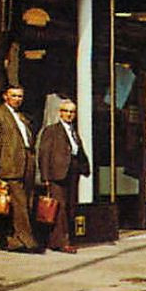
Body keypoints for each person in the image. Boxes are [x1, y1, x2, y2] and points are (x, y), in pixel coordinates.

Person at [0, 84, 40, 252]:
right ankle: (27, 240)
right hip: (9, 165)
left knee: (26, 202)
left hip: (26, 163)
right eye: (14, 96)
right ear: (5, 96)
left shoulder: (22, 117)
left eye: (20, 96)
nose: (17, 99)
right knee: (19, 204)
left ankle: (15, 240)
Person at [35, 96, 89, 254]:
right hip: (56, 174)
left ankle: (60, 239)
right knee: (60, 208)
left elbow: (78, 151)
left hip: (72, 172)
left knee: (70, 207)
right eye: (66, 111)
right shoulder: (52, 130)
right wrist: (45, 177)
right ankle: (61, 241)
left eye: (72, 112)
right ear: (60, 113)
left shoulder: (73, 131)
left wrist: (84, 167)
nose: (69, 114)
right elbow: (44, 154)